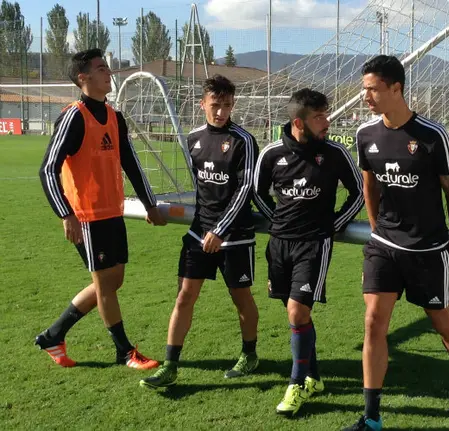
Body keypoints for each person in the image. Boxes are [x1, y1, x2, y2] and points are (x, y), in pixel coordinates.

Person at [344, 55, 449, 431]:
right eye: (364, 89)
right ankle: (371, 417)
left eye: (371, 89)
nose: (364, 96)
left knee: (442, 323)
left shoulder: (434, 136)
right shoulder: (365, 135)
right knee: (373, 323)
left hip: (428, 252)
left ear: (396, 89)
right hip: (384, 246)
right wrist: (375, 228)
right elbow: (369, 183)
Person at [36, 48, 165, 369]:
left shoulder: (114, 116)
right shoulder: (74, 116)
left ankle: (54, 335)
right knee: (106, 285)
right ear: (84, 78)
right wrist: (66, 214)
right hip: (86, 218)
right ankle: (124, 352)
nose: (109, 73)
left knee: (112, 281)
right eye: (102, 68)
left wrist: (150, 205)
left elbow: (131, 163)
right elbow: (48, 168)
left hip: (113, 212)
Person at [140, 75, 260, 388]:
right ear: (202, 104)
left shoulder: (243, 140)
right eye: (215, 105)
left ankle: (249, 354)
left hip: (234, 235)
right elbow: (203, 189)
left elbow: (246, 188)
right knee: (184, 296)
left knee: (241, 298)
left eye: (227, 105)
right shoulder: (193, 139)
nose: (221, 111)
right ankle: (170, 365)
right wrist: (208, 227)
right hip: (199, 233)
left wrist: (220, 229)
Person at [253, 88, 364, 416]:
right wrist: (278, 221)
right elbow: (257, 192)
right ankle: (314, 376)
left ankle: (296, 383)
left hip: (314, 243)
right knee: (295, 314)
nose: (327, 121)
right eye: (320, 117)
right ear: (299, 122)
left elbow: (358, 193)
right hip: (279, 244)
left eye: (326, 114)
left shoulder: (334, 153)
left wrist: (333, 225)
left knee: (297, 312)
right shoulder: (271, 154)